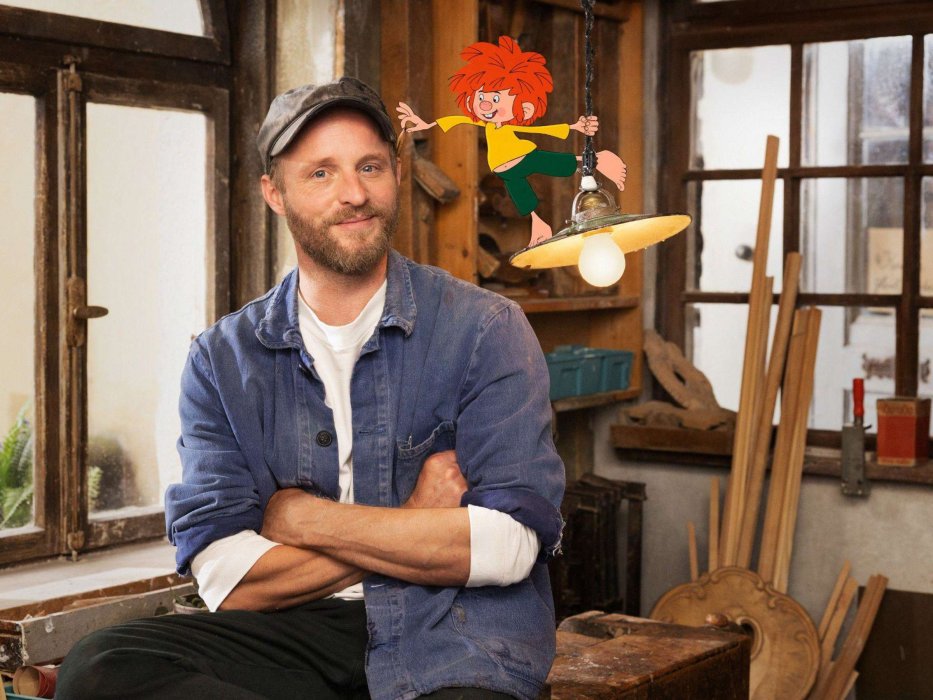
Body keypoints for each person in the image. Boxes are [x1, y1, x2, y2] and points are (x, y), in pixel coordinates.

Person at [56, 77, 565, 700]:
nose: (355, 194)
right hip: (295, 632)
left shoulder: (486, 329)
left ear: (395, 173)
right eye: (321, 173)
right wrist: (415, 520)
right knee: (102, 665)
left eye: (370, 166)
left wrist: (303, 518)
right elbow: (227, 580)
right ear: (275, 192)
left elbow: (509, 547)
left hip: (452, 631)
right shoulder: (222, 359)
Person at [396, 36, 626, 247]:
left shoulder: (508, 125)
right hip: (506, 170)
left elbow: (539, 129)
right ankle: (540, 227)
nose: (486, 104)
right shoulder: (485, 123)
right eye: (481, 96)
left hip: (522, 156)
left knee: (555, 164)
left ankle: (595, 160)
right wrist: (425, 125)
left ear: (525, 107)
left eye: (496, 98)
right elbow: (456, 120)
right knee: (524, 200)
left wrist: (574, 127)